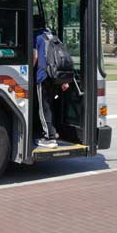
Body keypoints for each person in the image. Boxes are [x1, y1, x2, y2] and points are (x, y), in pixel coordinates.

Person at [32, 14, 73, 147]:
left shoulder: (36, 37)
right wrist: (63, 80)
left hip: (42, 76)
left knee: (43, 107)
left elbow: (35, 57)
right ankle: (53, 131)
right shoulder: (52, 36)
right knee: (48, 105)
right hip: (54, 76)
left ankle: (49, 138)